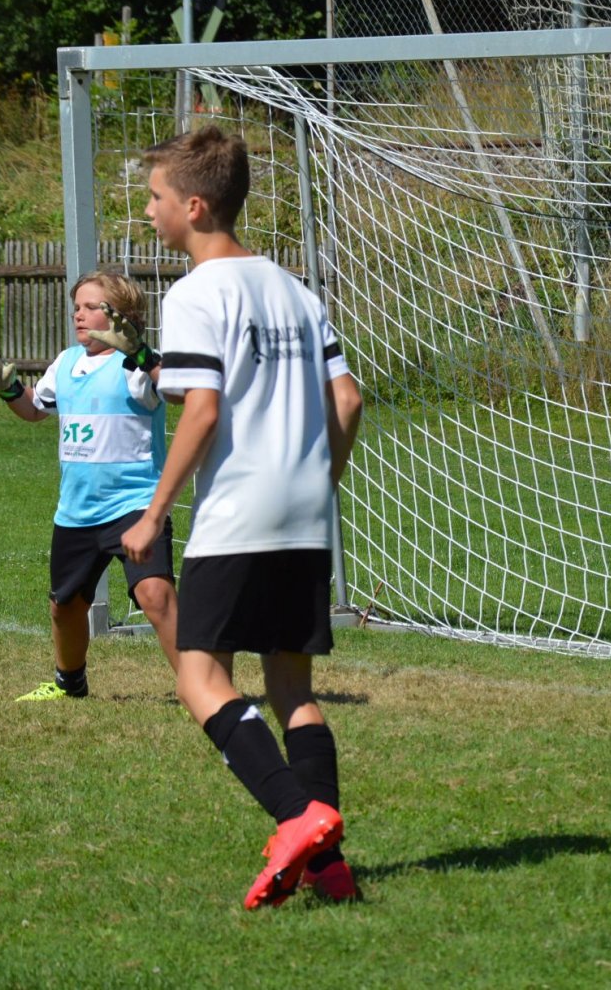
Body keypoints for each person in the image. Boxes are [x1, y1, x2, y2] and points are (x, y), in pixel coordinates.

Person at [119, 125, 364, 909]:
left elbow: (203, 408)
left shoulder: (197, 293)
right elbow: (348, 399)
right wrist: (319, 479)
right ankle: (330, 868)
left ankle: (298, 818)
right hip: (304, 511)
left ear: (193, 206)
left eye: (155, 197)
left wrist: (154, 514)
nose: (148, 210)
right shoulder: (295, 289)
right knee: (292, 686)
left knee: (199, 677)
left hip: (238, 511)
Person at [0, 271, 181, 702]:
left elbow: (177, 389)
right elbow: (34, 409)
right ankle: (69, 682)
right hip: (77, 511)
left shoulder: (138, 365)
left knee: (155, 595)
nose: (78, 314)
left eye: (90, 307)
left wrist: (142, 354)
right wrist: (8, 389)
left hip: (135, 506)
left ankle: (202, 687)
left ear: (121, 316)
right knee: (65, 606)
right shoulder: (66, 363)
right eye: (75, 307)